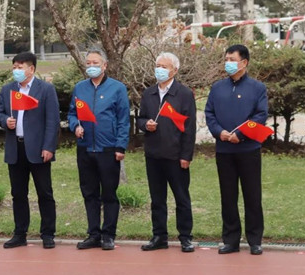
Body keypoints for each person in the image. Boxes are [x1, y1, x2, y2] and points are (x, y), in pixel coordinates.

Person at [205, 44, 268, 256]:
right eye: (226, 59)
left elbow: (260, 115)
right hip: (224, 150)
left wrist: (240, 134)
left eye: (232, 59)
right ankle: (231, 240)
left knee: (252, 195)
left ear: (244, 62)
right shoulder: (217, 88)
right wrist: (220, 132)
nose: (228, 63)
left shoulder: (257, 88)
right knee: (228, 196)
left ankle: (254, 240)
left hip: (249, 149)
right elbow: (209, 113)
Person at [0, 52, 60, 249]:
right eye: (14, 67)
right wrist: (5, 121)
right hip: (16, 148)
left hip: (38, 149)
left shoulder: (45, 89)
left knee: (44, 193)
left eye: (20, 67)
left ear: (31, 69)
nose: (16, 71)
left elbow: (52, 121)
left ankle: (47, 234)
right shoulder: (8, 89)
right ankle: (20, 233)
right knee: (18, 193)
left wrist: (49, 147)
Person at [67, 48, 130, 251]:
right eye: (88, 63)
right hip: (85, 148)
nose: (91, 66)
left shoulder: (117, 88)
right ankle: (93, 234)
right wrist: (75, 126)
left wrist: (120, 146)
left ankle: (108, 235)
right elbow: (72, 113)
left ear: (104, 65)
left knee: (109, 194)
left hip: (108, 149)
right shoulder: (80, 88)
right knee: (89, 193)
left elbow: (123, 119)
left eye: (95, 63)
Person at [137, 53, 196, 253]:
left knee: (182, 198)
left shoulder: (184, 94)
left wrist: (186, 156)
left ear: (174, 70)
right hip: (154, 155)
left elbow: (189, 127)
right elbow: (140, 119)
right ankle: (159, 236)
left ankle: (185, 237)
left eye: (164, 66)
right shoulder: (149, 93)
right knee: (157, 199)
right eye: (157, 65)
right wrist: (146, 124)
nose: (159, 69)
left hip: (176, 156)